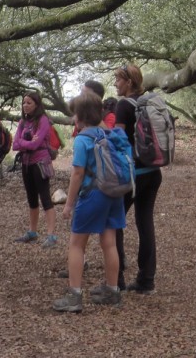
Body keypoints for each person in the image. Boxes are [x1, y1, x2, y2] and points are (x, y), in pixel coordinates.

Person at [52, 93, 126, 313]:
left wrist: (69, 204)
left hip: (93, 194)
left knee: (76, 244)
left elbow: (77, 174)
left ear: (80, 116)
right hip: (114, 192)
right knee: (109, 242)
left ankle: (74, 296)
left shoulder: (83, 139)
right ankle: (112, 290)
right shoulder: (109, 133)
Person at [114, 62, 161, 294]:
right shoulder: (151, 100)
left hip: (133, 174)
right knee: (145, 223)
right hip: (153, 172)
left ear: (129, 82)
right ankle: (146, 281)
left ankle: (117, 279)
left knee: (114, 223)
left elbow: (119, 141)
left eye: (118, 79)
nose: (115, 83)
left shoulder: (123, 105)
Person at [12, 91, 59, 248]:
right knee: (31, 198)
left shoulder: (43, 120)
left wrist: (23, 143)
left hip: (40, 163)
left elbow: (34, 145)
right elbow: (14, 145)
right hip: (26, 164)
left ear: (37, 105)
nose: (25, 105)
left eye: (29, 103)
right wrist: (25, 143)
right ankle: (32, 232)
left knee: (45, 198)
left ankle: (51, 235)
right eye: (24, 102)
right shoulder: (22, 123)